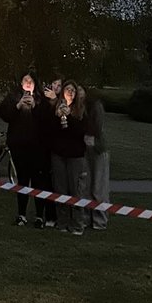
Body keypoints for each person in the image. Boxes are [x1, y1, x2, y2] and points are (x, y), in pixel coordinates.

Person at [0, 73, 46, 226]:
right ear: (21, 83)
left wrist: (34, 107)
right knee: (22, 181)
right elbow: (5, 115)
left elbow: (46, 120)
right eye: (25, 80)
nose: (28, 83)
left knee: (38, 182)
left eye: (30, 81)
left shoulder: (41, 99)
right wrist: (18, 106)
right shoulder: (13, 97)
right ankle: (21, 214)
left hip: (38, 148)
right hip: (19, 146)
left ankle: (39, 216)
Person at [46, 81, 90, 235]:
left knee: (75, 190)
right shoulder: (56, 108)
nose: (70, 92)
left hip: (75, 155)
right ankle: (62, 223)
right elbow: (50, 131)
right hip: (59, 154)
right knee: (60, 189)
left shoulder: (80, 111)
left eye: (73, 90)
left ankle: (77, 224)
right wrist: (56, 117)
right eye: (67, 89)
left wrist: (69, 116)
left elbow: (80, 132)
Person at [82, 87, 110, 231]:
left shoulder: (95, 106)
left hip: (97, 150)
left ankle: (100, 220)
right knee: (86, 186)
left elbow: (96, 128)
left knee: (99, 187)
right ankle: (86, 217)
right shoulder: (79, 107)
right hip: (86, 150)